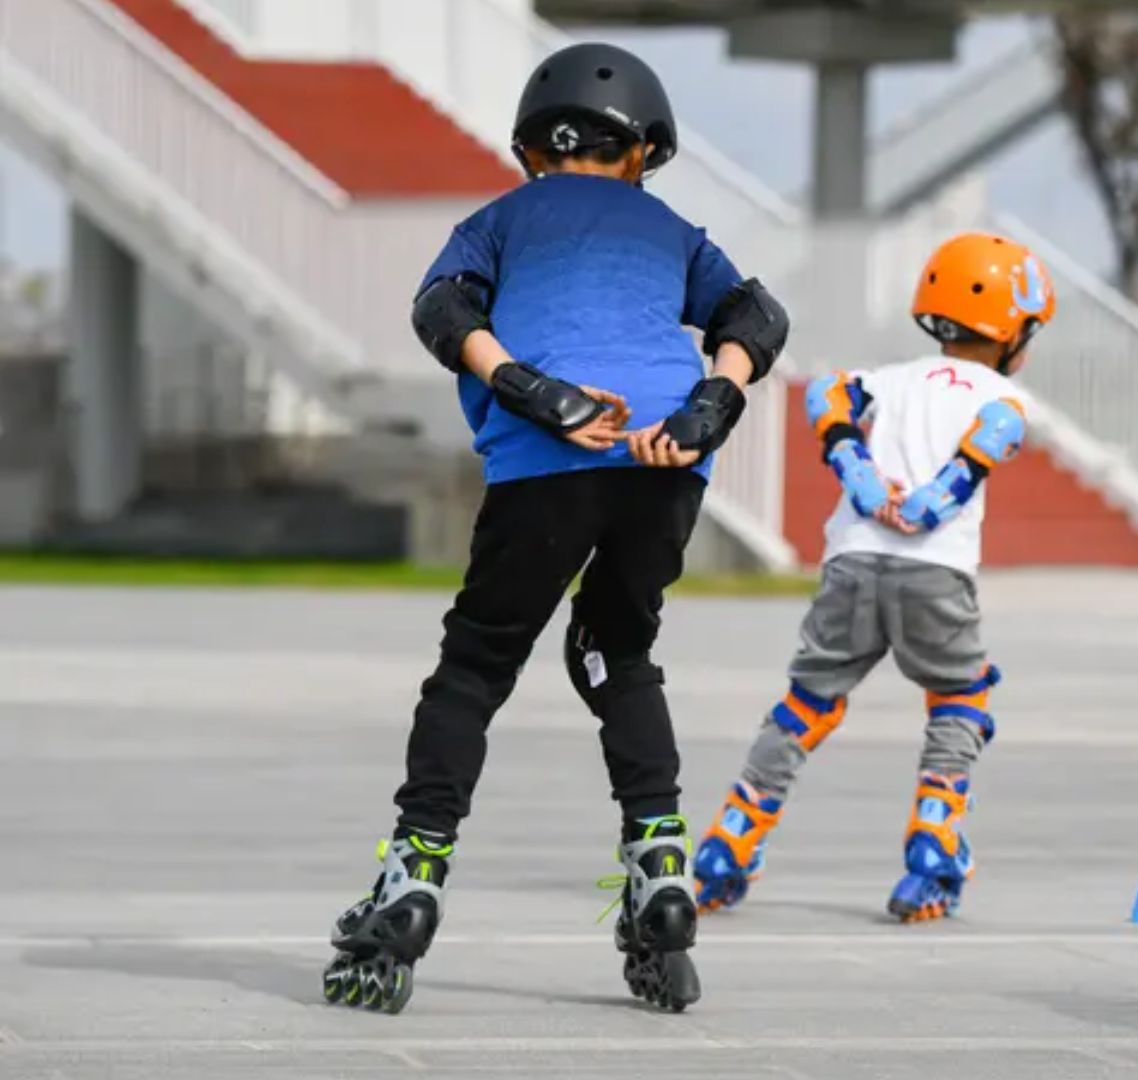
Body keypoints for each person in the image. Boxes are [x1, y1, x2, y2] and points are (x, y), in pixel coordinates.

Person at [320, 41, 789, 1016]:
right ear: (642, 151)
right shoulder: (669, 228)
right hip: (665, 456)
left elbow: (443, 310)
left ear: (534, 148)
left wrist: (527, 386)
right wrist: (712, 401)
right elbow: (755, 312)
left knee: (477, 666)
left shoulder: (498, 220)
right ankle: (661, 868)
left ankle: (412, 876)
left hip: (550, 458)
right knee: (620, 649)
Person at [689, 232, 1054, 923]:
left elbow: (827, 393)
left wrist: (856, 472)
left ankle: (731, 842)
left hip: (851, 561)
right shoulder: (1002, 393)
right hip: (934, 570)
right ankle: (933, 848)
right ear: (1011, 331)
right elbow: (997, 433)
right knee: (960, 699)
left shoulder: (894, 380)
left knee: (807, 703)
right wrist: (936, 500)